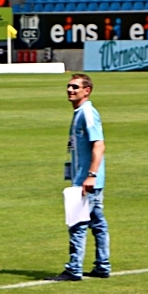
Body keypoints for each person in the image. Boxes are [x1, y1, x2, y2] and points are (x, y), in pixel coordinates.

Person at [45, 74, 110, 282]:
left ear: (87, 90)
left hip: (86, 181)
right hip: (87, 179)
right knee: (97, 222)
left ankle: (74, 269)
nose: (70, 90)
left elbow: (99, 145)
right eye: (69, 87)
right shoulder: (80, 113)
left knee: (77, 224)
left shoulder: (87, 114)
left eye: (75, 87)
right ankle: (102, 265)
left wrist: (90, 176)